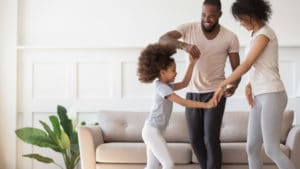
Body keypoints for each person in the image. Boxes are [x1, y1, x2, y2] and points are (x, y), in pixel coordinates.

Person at [212, 0, 296, 169]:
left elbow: (246, 64)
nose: (241, 23)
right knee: (251, 147)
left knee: (272, 149)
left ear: (251, 16)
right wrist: (250, 85)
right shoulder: (254, 35)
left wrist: (222, 84)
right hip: (259, 95)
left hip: (273, 93)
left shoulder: (265, 34)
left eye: (242, 19)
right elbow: (260, 65)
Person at [159, 0, 240, 168]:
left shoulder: (230, 37)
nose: (206, 19)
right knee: (195, 140)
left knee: (210, 139)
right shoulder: (189, 29)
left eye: (211, 16)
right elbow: (163, 39)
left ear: (220, 15)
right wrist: (184, 45)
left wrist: (235, 84)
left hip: (215, 92)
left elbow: (237, 69)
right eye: (203, 15)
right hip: (193, 92)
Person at [137, 43, 215, 169]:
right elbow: (182, 101)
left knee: (152, 166)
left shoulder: (167, 86)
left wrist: (192, 63)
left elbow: (185, 83)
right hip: (151, 131)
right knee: (168, 164)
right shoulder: (161, 87)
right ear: (162, 72)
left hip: (154, 131)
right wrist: (206, 105)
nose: (176, 73)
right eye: (173, 70)